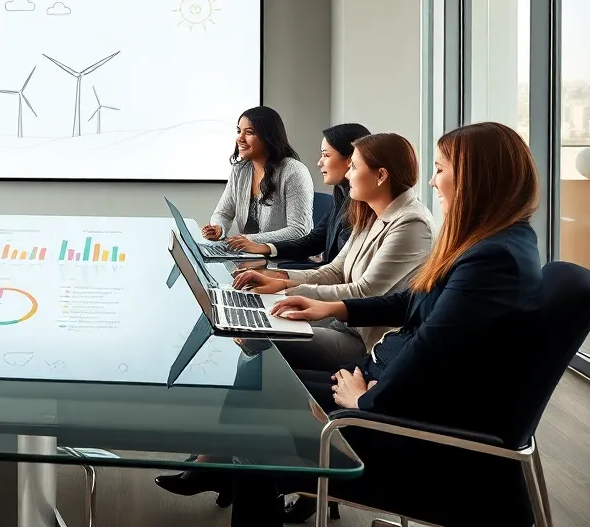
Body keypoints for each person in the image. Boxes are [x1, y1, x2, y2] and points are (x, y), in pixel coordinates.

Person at [157, 121, 543, 527]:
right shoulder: (494, 244)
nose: (432, 182)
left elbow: (431, 349)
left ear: (476, 180)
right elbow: (413, 305)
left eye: (441, 169)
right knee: (262, 381)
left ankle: (226, 467)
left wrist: (366, 401)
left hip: (397, 415)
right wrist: (331, 308)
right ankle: (224, 467)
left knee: (261, 409)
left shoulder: (490, 258)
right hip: (389, 380)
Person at [232, 132, 434, 371]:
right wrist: (280, 279)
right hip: (342, 321)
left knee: (263, 338)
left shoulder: (412, 223)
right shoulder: (371, 212)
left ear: (381, 175)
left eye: (354, 167)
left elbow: (365, 291)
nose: (348, 175)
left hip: (366, 340)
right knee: (255, 325)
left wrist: (288, 293)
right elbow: (335, 270)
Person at [227, 122, 371, 264]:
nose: (319, 162)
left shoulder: (364, 205)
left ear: (351, 159)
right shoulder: (342, 195)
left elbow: (341, 274)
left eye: (326, 155)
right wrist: (264, 248)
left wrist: (285, 279)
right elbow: (314, 242)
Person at [203, 106, 314, 246]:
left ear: (268, 137)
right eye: (239, 131)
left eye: (249, 133)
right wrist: (219, 228)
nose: (240, 138)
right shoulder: (240, 170)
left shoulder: (294, 171)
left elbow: (299, 230)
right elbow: (223, 214)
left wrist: (249, 240)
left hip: (283, 257)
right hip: (248, 255)